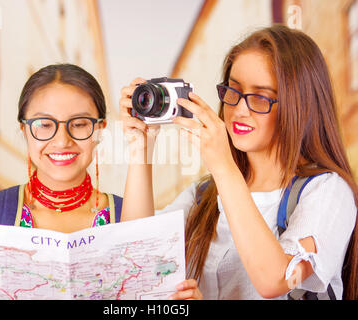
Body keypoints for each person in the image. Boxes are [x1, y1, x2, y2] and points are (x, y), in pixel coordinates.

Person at [119, 25, 358, 300]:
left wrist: (223, 166)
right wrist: (141, 148)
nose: (239, 110)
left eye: (260, 97)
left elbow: (276, 279)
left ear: (298, 104)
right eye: (233, 91)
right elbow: (134, 254)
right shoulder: (204, 197)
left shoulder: (328, 191)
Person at [0, 64, 123, 300]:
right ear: (24, 130)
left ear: (99, 130)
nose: (62, 141)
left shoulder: (129, 218)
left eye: (78, 124)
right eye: (44, 125)